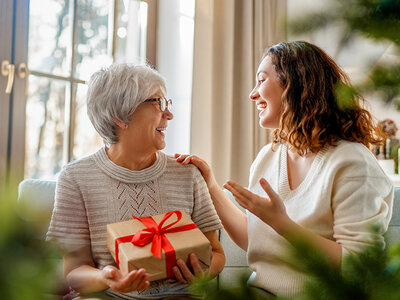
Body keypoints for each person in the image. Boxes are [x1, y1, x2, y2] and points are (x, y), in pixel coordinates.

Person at [175, 41, 394, 298]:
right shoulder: (267, 158)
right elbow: (255, 239)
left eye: (261, 80)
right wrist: (210, 186)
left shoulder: (351, 162)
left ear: (296, 84)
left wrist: (282, 223)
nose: (252, 94)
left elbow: (359, 268)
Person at [47, 63, 225, 300]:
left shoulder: (188, 173)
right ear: (120, 115)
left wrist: (202, 272)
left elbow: (216, 253)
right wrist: (106, 277)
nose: (169, 114)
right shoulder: (75, 178)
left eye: (167, 104)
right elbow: (74, 271)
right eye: (158, 103)